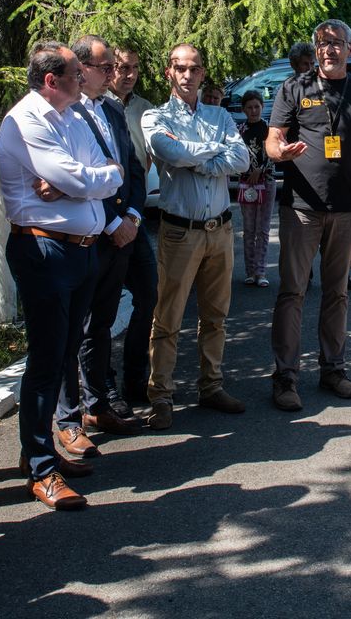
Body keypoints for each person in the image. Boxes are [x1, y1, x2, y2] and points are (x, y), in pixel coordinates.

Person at [0, 40, 115, 510]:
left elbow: (107, 172)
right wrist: (82, 183)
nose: (82, 78)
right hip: (44, 251)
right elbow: (84, 179)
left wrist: (76, 184)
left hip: (81, 251)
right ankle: (42, 470)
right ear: (52, 80)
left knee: (64, 354)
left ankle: (37, 453)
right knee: (46, 360)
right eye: (74, 73)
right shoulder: (25, 120)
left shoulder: (72, 116)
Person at [267, 20, 351, 411]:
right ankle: (285, 377)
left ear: (350, 49)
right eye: (322, 44)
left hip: (349, 205)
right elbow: (273, 139)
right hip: (302, 206)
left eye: (336, 43)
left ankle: (333, 369)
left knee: (336, 293)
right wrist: (279, 154)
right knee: (292, 292)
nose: (328, 49)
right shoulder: (294, 88)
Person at [142, 43, 251, 428]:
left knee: (216, 316)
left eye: (195, 68)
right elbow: (166, 150)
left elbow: (242, 160)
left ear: (204, 73)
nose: (188, 75)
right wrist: (213, 153)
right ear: (169, 72)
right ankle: (161, 395)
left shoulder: (219, 114)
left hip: (219, 229)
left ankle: (212, 385)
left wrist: (198, 159)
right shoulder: (155, 117)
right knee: (168, 317)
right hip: (179, 233)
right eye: (180, 68)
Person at [57, 35, 147, 443]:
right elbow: (77, 179)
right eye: (105, 67)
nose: (114, 73)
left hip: (121, 233)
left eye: (114, 66)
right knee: (71, 329)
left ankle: (97, 406)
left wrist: (130, 215)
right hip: (89, 235)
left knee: (102, 326)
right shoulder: (63, 113)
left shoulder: (111, 108)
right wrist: (112, 224)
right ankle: (68, 418)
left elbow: (131, 168)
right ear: (81, 69)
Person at [108, 45, 157, 419]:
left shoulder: (143, 109)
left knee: (148, 295)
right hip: (103, 220)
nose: (129, 74)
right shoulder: (92, 106)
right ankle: (103, 386)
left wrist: (136, 217)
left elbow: (145, 160)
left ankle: (136, 378)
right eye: (122, 67)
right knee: (103, 308)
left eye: (134, 68)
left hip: (134, 216)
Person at [237, 90, 274, 287]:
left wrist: (261, 169)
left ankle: (261, 271)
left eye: (257, 106)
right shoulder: (239, 130)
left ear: (262, 106)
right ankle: (250, 271)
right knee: (249, 228)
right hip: (246, 183)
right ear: (244, 109)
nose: (253, 111)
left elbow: (274, 155)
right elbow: (234, 155)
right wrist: (246, 171)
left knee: (263, 228)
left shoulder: (270, 129)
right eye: (249, 107)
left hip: (266, 181)